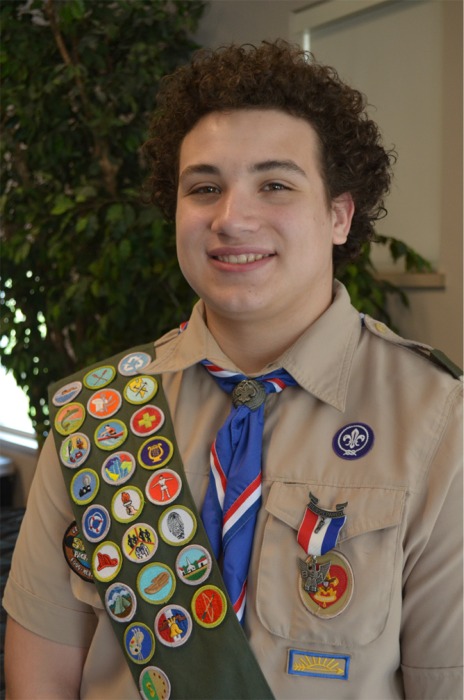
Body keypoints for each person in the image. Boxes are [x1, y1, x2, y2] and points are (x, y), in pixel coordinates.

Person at [4, 40, 462, 700]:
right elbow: (40, 679)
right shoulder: (96, 416)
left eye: (275, 184)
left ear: (338, 214)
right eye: (204, 188)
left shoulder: (437, 419)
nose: (231, 218)